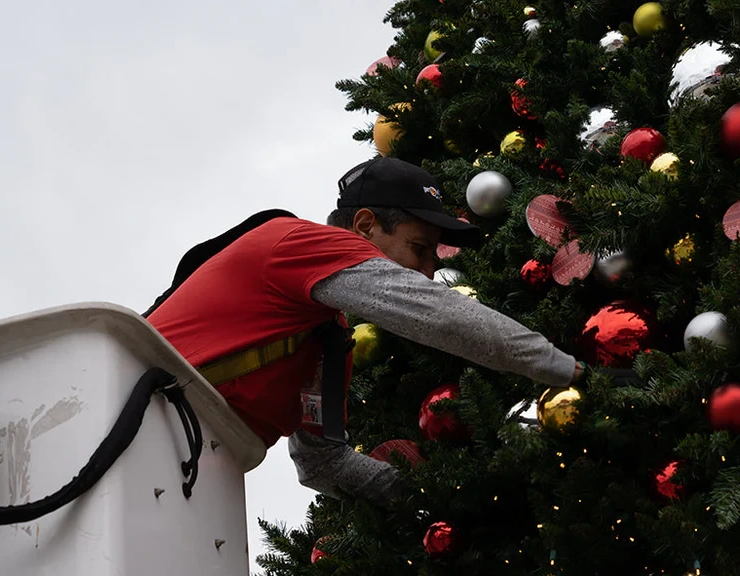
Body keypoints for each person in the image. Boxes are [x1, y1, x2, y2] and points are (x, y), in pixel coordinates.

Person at [146, 157, 588, 506]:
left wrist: (441, 488)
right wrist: (571, 373)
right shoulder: (302, 243)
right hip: (134, 426)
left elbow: (321, 463)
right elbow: (440, 314)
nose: (428, 273)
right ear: (363, 226)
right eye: (419, 249)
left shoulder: (327, 338)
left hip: (183, 474)